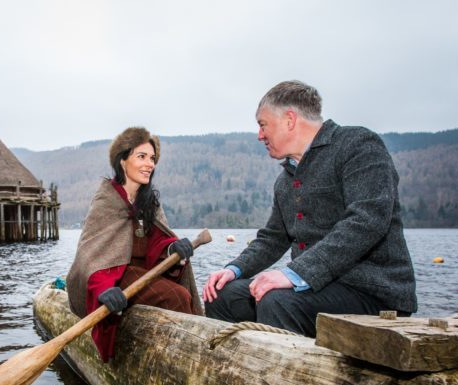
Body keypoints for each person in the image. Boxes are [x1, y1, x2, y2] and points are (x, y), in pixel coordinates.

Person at [203, 80, 417, 337]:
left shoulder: (358, 145)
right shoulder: (286, 179)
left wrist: (293, 274)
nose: (260, 135)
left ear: (289, 119)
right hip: (318, 290)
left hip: (373, 292)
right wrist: (233, 269)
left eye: (263, 125)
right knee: (222, 296)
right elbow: (273, 238)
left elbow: (366, 221)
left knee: (277, 300)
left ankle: (281, 376)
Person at [67, 127, 203, 362]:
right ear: (122, 160)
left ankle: (189, 351)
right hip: (117, 277)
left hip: (145, 273)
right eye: (141, 157)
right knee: (176, 297)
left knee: (181, 294)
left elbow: (158, 242)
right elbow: (91, 257)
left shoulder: (149, 202)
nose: (149, 164)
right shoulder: (106, 200)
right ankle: (189, 357)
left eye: (152, 158)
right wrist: (104, 292)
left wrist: (174, 249)